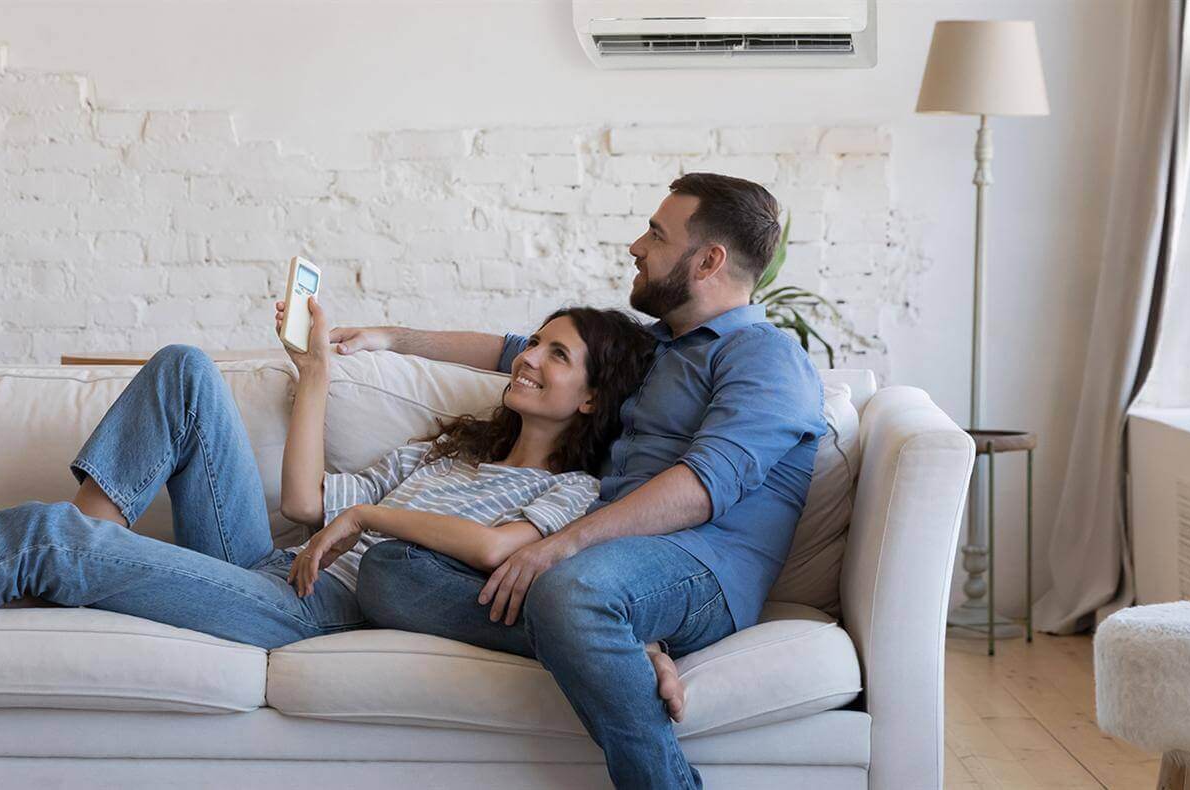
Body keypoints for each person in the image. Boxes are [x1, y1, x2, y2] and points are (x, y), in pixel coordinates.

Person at [0, 299, 657, 658]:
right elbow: (300, 506)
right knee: (186, 368)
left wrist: (372, 515)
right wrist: (314, 376)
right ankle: (76, 546)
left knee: (44, 540)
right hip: (275, 561)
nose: (528, 358)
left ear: (587, 400)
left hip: (321, 608)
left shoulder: (568, 497)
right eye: (533, 343)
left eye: (556, 355)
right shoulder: (451, 448)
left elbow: (495, 552)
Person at [336, 172, 826, 789]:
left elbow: (705, 486)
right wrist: (392, 337)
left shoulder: (764, 354)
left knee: (572, 591)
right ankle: (624, 650)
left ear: (708, 260)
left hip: (703, 567)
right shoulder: (655, 349)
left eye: (655, 233)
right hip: (611, 564)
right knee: (391, 570)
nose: (636, 247)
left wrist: (563, 545)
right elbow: (516, 350)